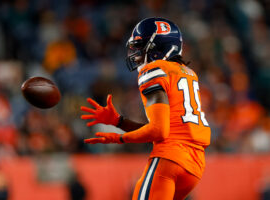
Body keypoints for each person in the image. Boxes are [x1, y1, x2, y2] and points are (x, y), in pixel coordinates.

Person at [81, 17, 211, 200]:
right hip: (194, 166)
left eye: (141, 46)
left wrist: (119, 138)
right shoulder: (188, 74)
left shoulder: (153, 70)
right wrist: (119, 121)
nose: (136, 53)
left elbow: (159, 131)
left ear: (159, 47)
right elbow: (165, 127)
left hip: (169, 160)